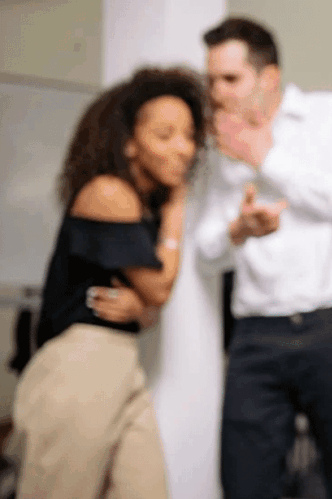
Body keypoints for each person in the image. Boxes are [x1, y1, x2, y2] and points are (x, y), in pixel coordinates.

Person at [193, 17, 332, 499]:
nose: (217, 93)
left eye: (230, 79)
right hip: (256, 337)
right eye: (211, 80)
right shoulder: (221, 146)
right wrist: (238, 231)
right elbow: (206, 251)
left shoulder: (326, 115)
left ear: (269, 77)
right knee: (243, 485)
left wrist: (266, 159)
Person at [3, 67, 207, 499]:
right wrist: (176, 210)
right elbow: (159, 289)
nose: (184, 148)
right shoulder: (109, 193)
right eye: (165, 134)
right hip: (78, 366)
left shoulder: (140, 208)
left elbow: (148, 305)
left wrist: (141, 309)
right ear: (129, 142)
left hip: (121, 364)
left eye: (189, 135)